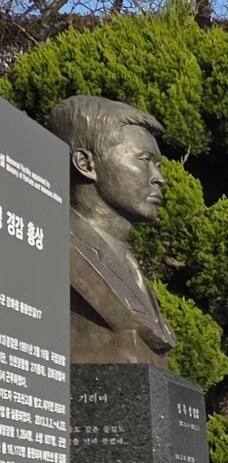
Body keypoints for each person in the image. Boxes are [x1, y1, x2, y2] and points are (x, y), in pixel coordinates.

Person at [49, 96, 176, 367]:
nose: (159, 178)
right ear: (87, 164)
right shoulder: (58, 247)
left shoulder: (128, 261)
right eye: (144, 160)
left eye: (158, 165)